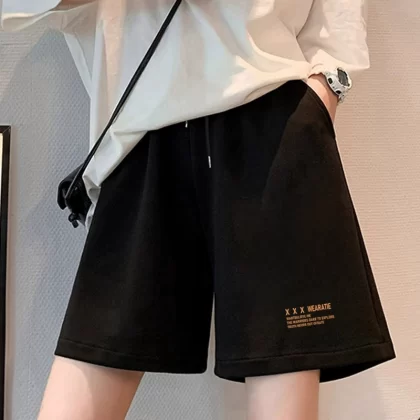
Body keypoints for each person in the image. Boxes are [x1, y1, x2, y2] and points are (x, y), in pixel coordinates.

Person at [1, 1, 396, 419]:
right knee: (85, 373)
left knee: (283, 389)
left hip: (273, 125)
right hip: (139, 139)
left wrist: (325, 91)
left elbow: (338, 16)